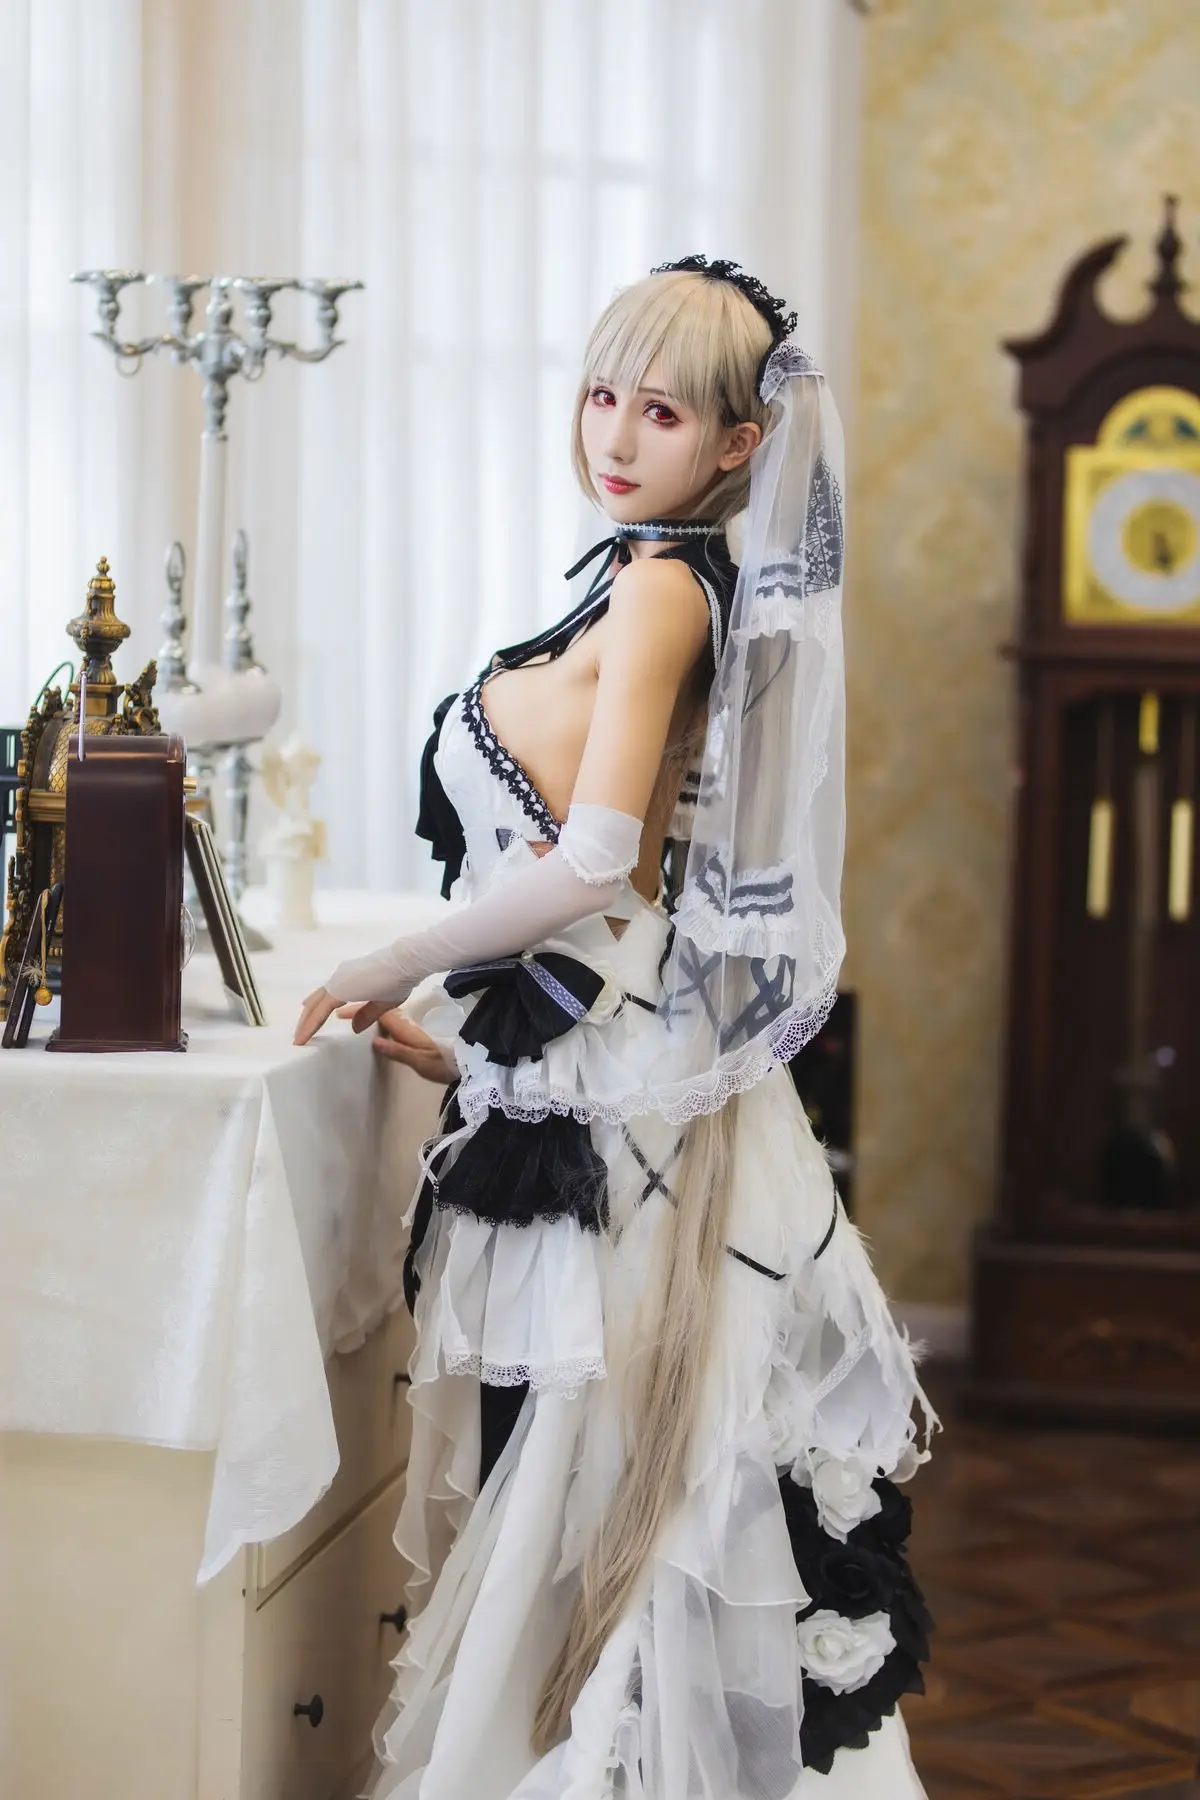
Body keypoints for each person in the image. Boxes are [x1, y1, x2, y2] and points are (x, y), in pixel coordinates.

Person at [295, 257, 936, 1800]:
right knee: (584, 1486)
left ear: (737, 442)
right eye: (602, 395)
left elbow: (594, 863)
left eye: (662, 411)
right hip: (597, 1081)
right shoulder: (633, 572)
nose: (616, 434)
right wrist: (472, 1051)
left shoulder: (660, 590)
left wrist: (393, 961)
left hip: (624, 1112)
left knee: (604, 1493)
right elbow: (625, 898)